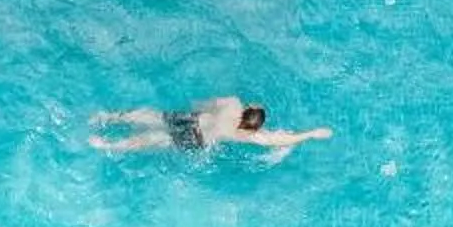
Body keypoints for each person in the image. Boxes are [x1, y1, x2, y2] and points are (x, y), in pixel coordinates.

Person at [90, 97, 331, 160]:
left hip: (193, 119)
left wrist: (201, 109)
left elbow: (204, 104)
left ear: (246, 108)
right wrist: (311, 133)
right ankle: (107, 145)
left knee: (151, 116)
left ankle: (109, 117)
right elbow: (279, 141)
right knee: (153, 139)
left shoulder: (232, 103)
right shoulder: (248, 134)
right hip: (196, 139)